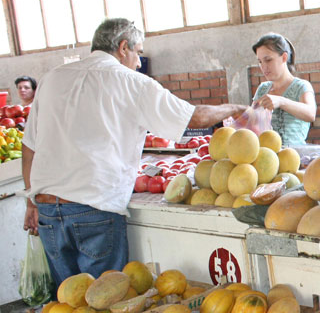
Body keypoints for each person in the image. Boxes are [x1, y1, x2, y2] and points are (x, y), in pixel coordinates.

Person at [21, 18, 247, 286]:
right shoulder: (131, 82)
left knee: (69, 307)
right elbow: (193, 118)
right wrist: (234, 108)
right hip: (92, 209)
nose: (140, 62)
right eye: (138, 52)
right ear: (123, 47)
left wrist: (30, 202)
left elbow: (29, 147)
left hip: (47, 210)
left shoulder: (52, 78)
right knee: (104, 304)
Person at [252, 33, 316, 147]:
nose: (263, 67)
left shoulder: (301, 86)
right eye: (260, 61)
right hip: (265, 156)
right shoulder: (262, 89)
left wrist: (282, 101)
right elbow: (252, 121)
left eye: (268, 60)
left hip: (294, 157)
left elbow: (310, 114)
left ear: (284, 57)